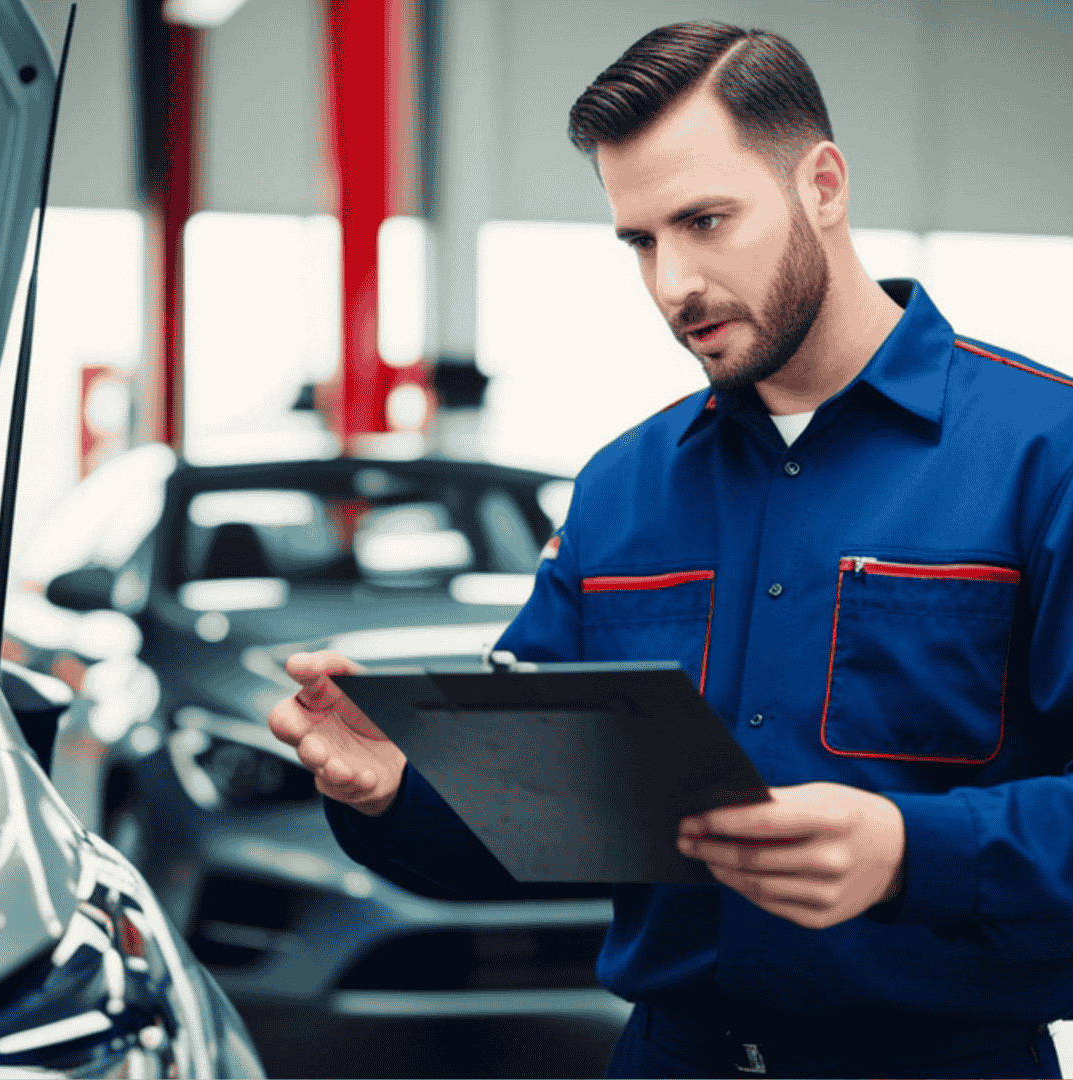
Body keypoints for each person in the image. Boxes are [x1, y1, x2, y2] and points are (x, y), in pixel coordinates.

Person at [267, 21, 1073, 1079]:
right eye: (641, 241)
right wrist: (392, 791)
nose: (673, 283)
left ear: (822, 184)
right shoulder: (621, 490)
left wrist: (910, 854)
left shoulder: (1043, 455)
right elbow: (539, 816)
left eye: (705, 221)